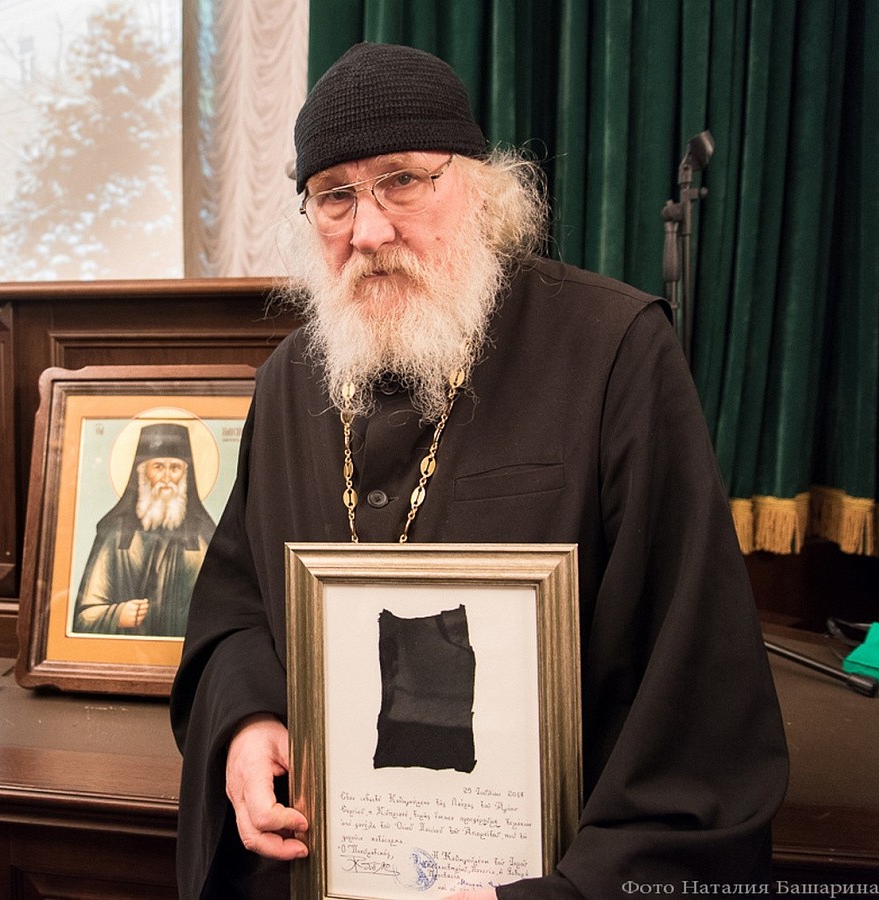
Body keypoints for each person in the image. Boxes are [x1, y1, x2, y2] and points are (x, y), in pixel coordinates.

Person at [170, 42, 788, 899]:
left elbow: (696, 691)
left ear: (482, 190)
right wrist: (246, 721)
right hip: (317, 863)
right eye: (334, 196)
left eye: (402, 182)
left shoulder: (613, 353)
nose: (368, 231)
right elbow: (237, 608)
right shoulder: (288, 383)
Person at [74, 422, 216, 637]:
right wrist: (118, 615)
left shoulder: (203, 536)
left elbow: (221, 610)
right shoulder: (115, 533)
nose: (167, 478)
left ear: (186, 475)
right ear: (141, 472)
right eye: (158, 467)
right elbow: (84, 617)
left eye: (175, 468)